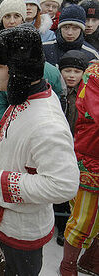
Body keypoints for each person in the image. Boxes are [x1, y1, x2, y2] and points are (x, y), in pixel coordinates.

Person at [0, 24, 79, 276]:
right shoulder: (28, 95)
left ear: (18, 71)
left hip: (19, 232)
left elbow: (64, 185)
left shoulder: (48, 124)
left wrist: (1, 180)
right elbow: (22, 135)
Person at [59, 61, 99, 276]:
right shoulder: (94, 75)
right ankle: (68, 265)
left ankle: (91, 261)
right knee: (83, 219)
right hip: (91, 159)